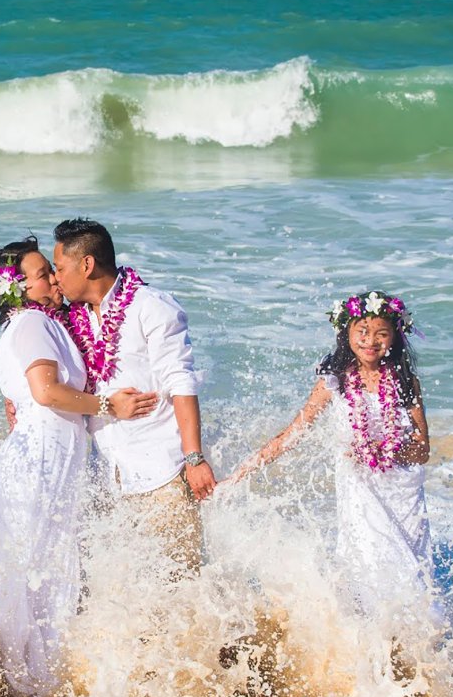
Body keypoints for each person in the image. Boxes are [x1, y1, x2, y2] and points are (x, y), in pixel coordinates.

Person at [0, 236, 157, 697]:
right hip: (39, 464)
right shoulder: (33, 322)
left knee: (43, 575)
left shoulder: (41, 323)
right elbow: (45, 392)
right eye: (44, 273)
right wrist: (109, 406)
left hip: (50, 459)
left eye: (52, 271)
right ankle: (27, 696)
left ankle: (32, 694)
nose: (55, 279)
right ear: (18, 288)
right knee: (35, 576)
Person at [225, 290, 432, 617]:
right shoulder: (334, 382)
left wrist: (391, 449)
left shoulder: (407, 382)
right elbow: (291, 434)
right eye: (361, 331)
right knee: (373, 566)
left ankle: (412, 644)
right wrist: (238, 475)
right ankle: (376, 642)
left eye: (381, 333)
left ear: (395, 337)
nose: (370, 341)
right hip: (360, 490)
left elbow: (423, 450)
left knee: (411, 573)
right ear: (346, 332)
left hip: (402, 493)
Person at [51, 218, 216, 579]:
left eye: (60, 268)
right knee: (122, 595)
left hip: (162, 473)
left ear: (87, 264)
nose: (56, 278)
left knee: (178, 588)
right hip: (108, 478)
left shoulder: (152, 307)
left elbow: (181, 382)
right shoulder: (75, 318)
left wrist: (194, 458)